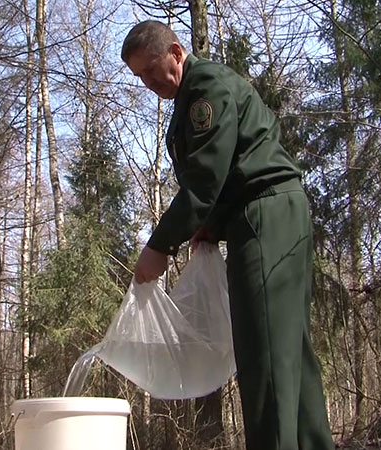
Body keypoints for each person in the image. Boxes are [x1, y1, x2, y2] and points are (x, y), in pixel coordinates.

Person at [121, 20, 335, 450]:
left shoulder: (205, 89)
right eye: (138, 77)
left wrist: (159, 245)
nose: (147, 83)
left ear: (176, 53)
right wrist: (210, 227)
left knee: (266, 355)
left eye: (150, 70)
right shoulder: (194, 96)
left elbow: (205, 181)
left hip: (265, 216)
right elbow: (231, 169)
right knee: (289, 351)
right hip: (266, 213)